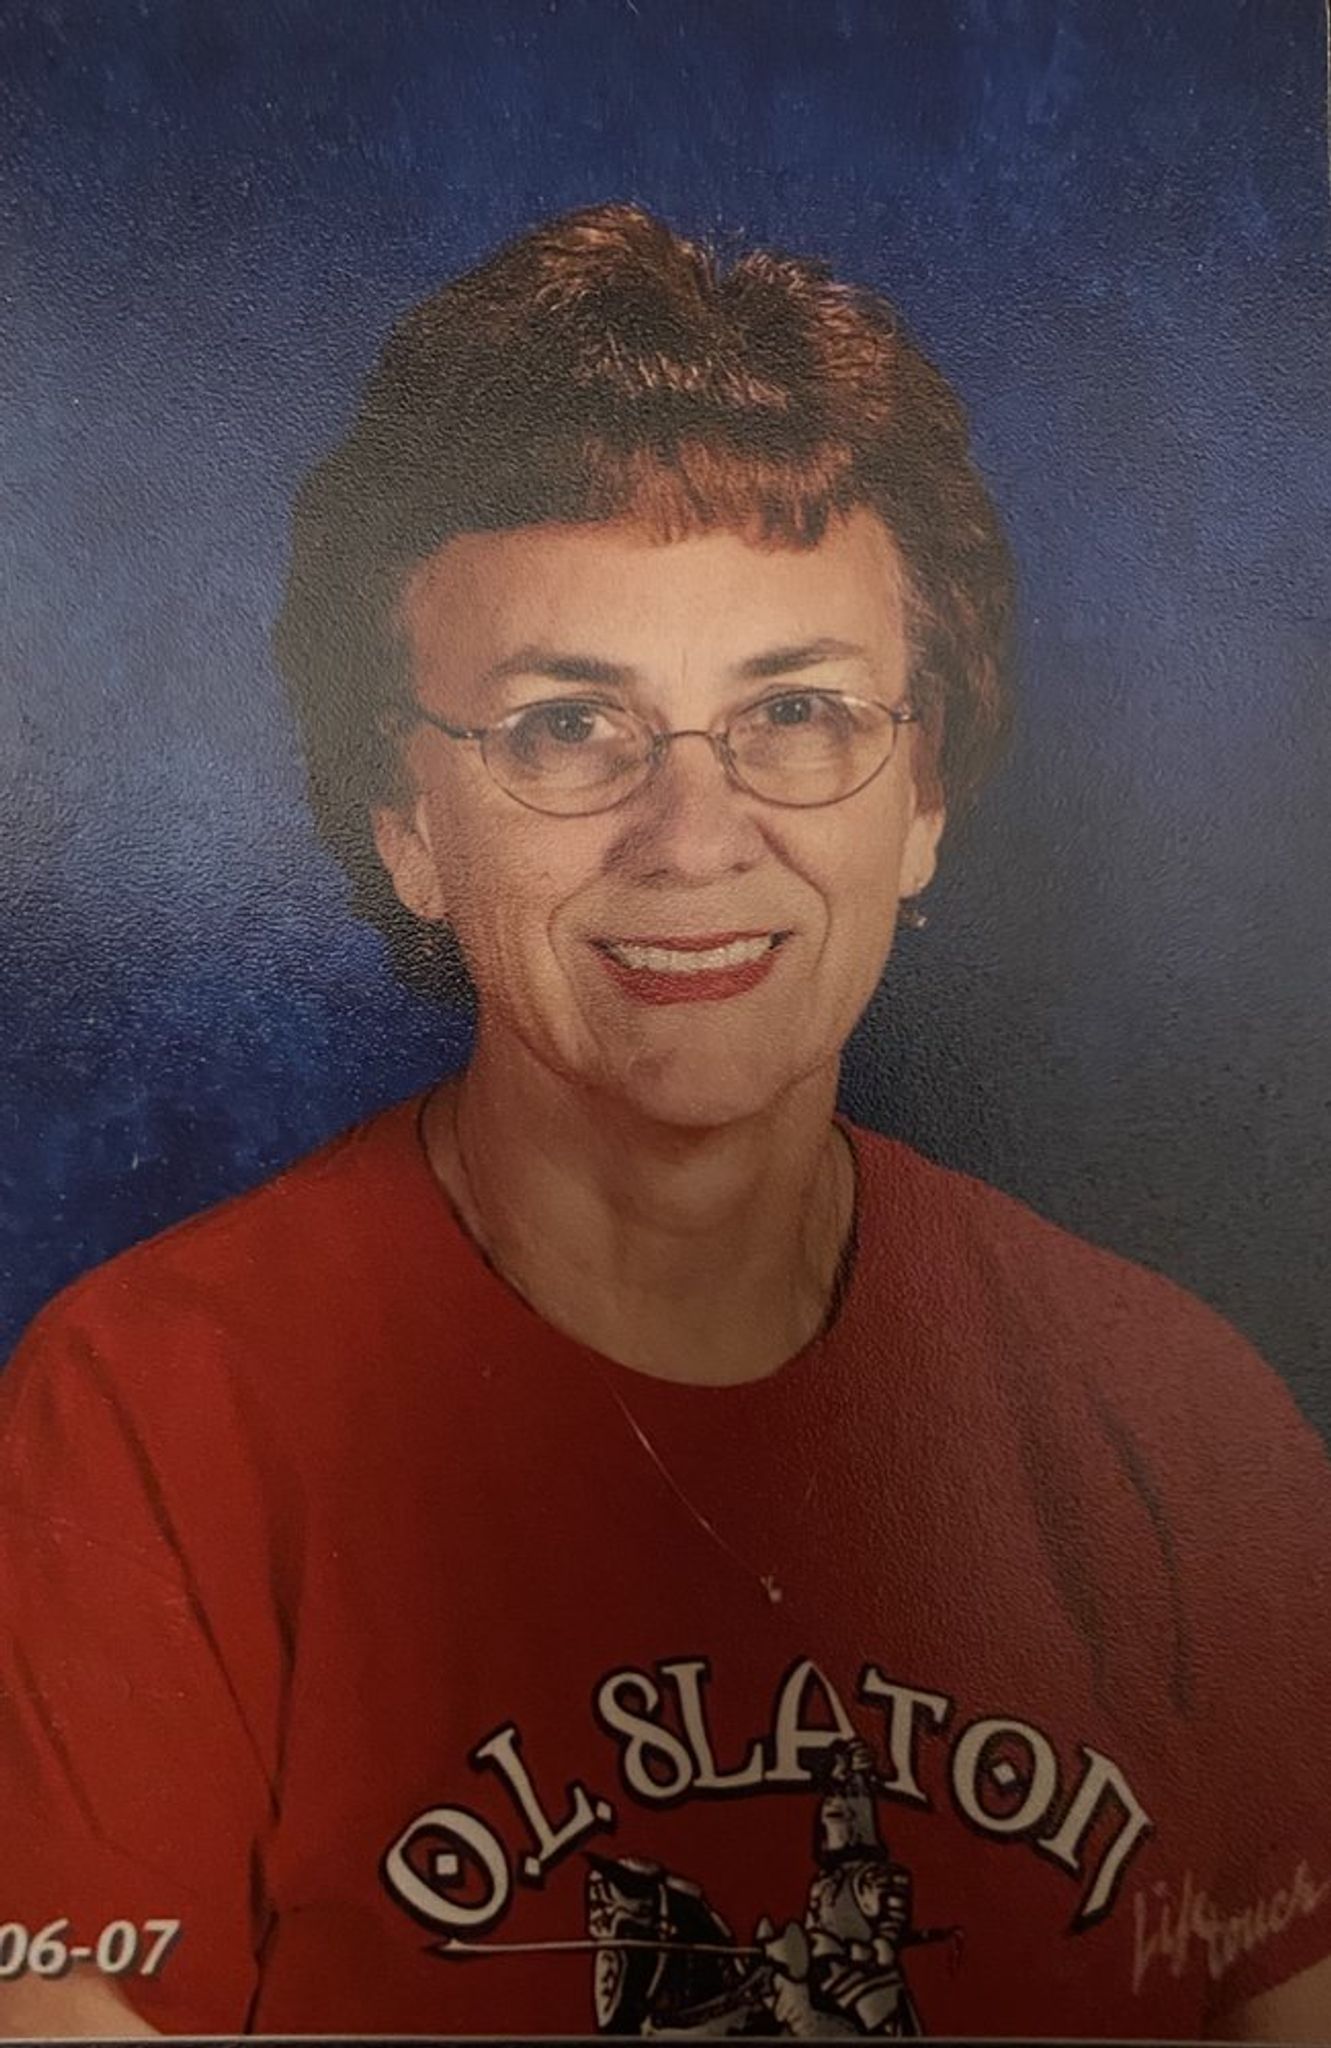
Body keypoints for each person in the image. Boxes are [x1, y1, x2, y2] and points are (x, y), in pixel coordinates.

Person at [0, 202, 1327, 2042]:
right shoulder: (152, 1419)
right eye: (565, 728)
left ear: (923, 799)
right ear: (403, 821)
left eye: (797, 711)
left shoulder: (1178, 1423)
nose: (694, 842)